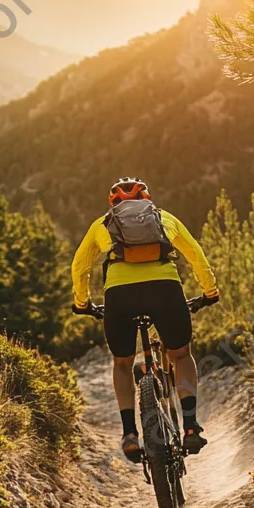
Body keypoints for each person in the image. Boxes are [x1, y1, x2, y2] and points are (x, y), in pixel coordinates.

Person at [71, 177, 219, 462]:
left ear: (113, 203)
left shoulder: (101, 224)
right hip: (165, 290)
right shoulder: (164, 217)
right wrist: (209, 291)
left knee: (123, 364)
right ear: (146, 199)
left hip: (119, 295)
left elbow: (80, 266)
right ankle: (190, 427)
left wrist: (83, 303)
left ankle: (129, 434)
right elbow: (195, 255)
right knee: (181, 355)